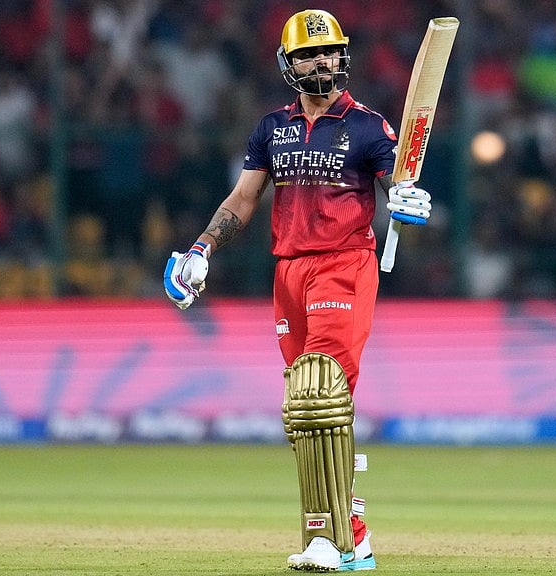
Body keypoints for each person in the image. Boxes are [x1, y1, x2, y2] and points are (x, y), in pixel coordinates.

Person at [163, 9, 432, 572]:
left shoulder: (369, 126)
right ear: (289, 63)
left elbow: (398, 182)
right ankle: (351, 536)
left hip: (344, 265)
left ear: (343, 55)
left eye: (329, 50)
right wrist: (201, 249)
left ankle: (327, 540)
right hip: (288, 271)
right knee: (303, 411)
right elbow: (243, 199)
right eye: (309, 54)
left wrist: (407, 198)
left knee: (320, 395)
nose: (322, 61)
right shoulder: (271, 128)